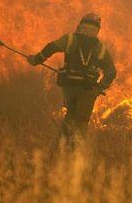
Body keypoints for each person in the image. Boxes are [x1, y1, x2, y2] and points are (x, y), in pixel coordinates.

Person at [27, 13, 116, 142]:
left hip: (69, 88)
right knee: (81, 122)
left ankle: (61, 149)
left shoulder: (70, 39)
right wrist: (99, 87)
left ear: (80, 25)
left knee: (70, 117)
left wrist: (37, 59)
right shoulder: (100, 48)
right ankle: (77, 154)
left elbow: (51, 47)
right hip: (88, 91)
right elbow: (111, 72)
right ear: (97, 29)